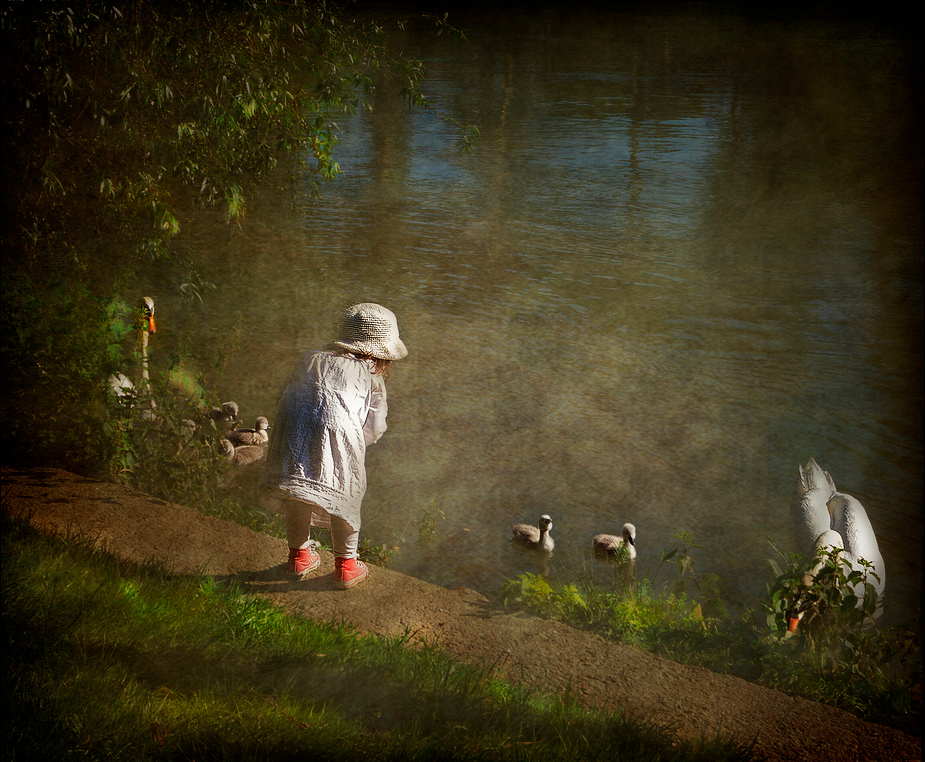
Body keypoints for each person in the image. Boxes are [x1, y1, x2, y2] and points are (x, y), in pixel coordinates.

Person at [262, 303, 407, 589]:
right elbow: (375, 426)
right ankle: (346, 566)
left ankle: (299, 557)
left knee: (298, 493)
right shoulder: (372, 376)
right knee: (345, 498)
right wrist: (354, 445)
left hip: (292, 434)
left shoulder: (310, 358)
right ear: (382, 353)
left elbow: (285, 394)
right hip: (339, 438)